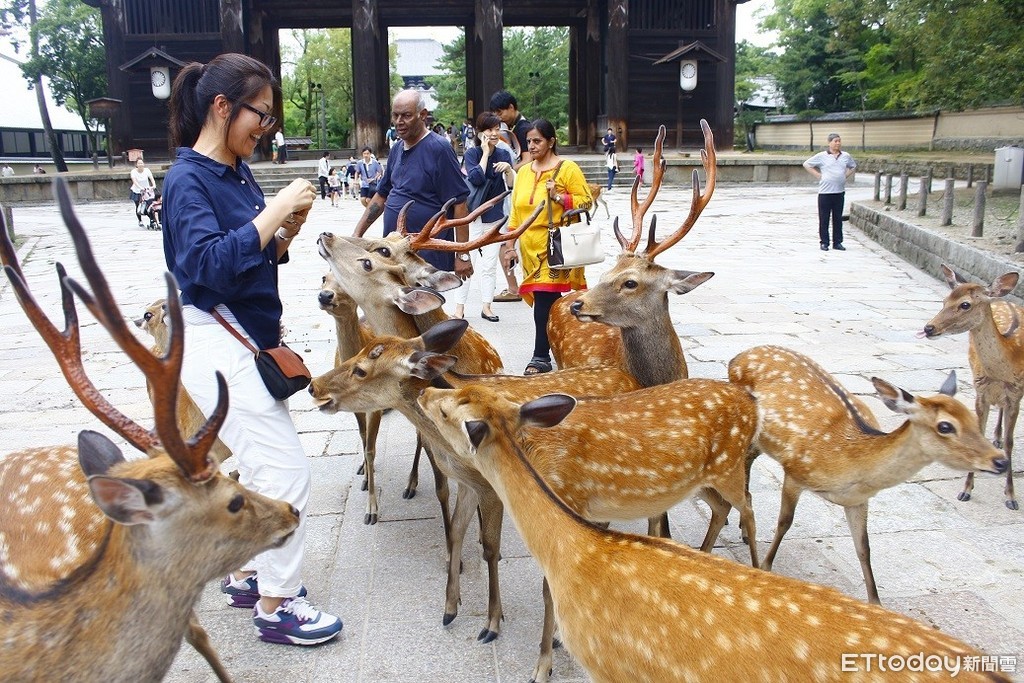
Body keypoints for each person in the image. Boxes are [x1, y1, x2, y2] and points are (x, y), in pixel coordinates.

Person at [162, 52, 342, 647]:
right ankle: (277, 605)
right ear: (221, 107)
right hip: (217, 340)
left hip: (246, 337)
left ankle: (245, 573)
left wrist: (282, 232)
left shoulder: (233, 172)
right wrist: (275, 209)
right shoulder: (188, 179)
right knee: (286, 470)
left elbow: (250, 255)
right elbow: (204, 266)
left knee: (263, 466)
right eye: (259, 115)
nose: (265, 128)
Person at [504, 118, 593, 375]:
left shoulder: (568, 169)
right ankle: (568, 344)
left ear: (551, 141)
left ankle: (540, 356)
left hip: (555, 247)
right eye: (529, 141)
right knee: (549, 301)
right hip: (529, 248)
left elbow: (586, 201)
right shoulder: (522, 173)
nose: (531, 146)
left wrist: (559, 196)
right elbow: (515, 216)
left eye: (537, 141)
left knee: (544, 298)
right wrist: (509, 246)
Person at [353, 89, 470, 274]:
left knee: (425, 302)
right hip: (395, 251)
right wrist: (357, 235)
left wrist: (463, 254)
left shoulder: (439, 149)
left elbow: (460, 203)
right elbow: (381, 195)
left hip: (427, 255)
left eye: (406, 116)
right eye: (396, 115)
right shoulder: (397, 148)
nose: (399, 121)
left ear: (422, 115)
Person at [451, 111, 515, 323]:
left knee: (489, 264)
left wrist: (508, 171)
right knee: (466, 261)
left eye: (497, 129)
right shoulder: (472, 154)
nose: (494, 133)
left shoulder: (505, 154)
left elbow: (513, 186)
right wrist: (486, 153)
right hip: (471, 217)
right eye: (490, 130)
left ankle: (487, 306)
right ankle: (459, 308)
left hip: (494, 218)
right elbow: (476, 179)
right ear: (480, 133)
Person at [490, 89, 533, 302]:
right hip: (521, 188)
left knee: (508, 239)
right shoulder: (517, 128)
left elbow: (527, 160)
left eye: (500, 112)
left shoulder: (524, 129)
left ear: (512, 108)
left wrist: (507, 168)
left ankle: (516, 287)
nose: (498, 117)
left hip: (522, 190)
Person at [804, 133, 856, 251]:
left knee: (837, 218)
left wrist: (845, 176)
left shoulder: (845, 156)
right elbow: (807, 164)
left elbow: (853, 166)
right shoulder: (822, 156)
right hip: (825, 193)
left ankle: (837, 242)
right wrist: (818, 175)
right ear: (829, 143)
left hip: (839, 192)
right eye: (835, 141)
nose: (838, 143)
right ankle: (824, 242)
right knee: (824, 218)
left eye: (839, 141)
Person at [129, 158, 156, 227]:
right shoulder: (133, 171)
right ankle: (140, 220)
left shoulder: (147, 170)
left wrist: (153, 185)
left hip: (146, 191)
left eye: (141, 163)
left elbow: (151, 178)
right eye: (139, 163)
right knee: (138, 206)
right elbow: (134, 181)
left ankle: (152, 219)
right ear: (136, 164)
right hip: (137, 191)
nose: (140, 164)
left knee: (149, 205)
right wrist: (140, 188)